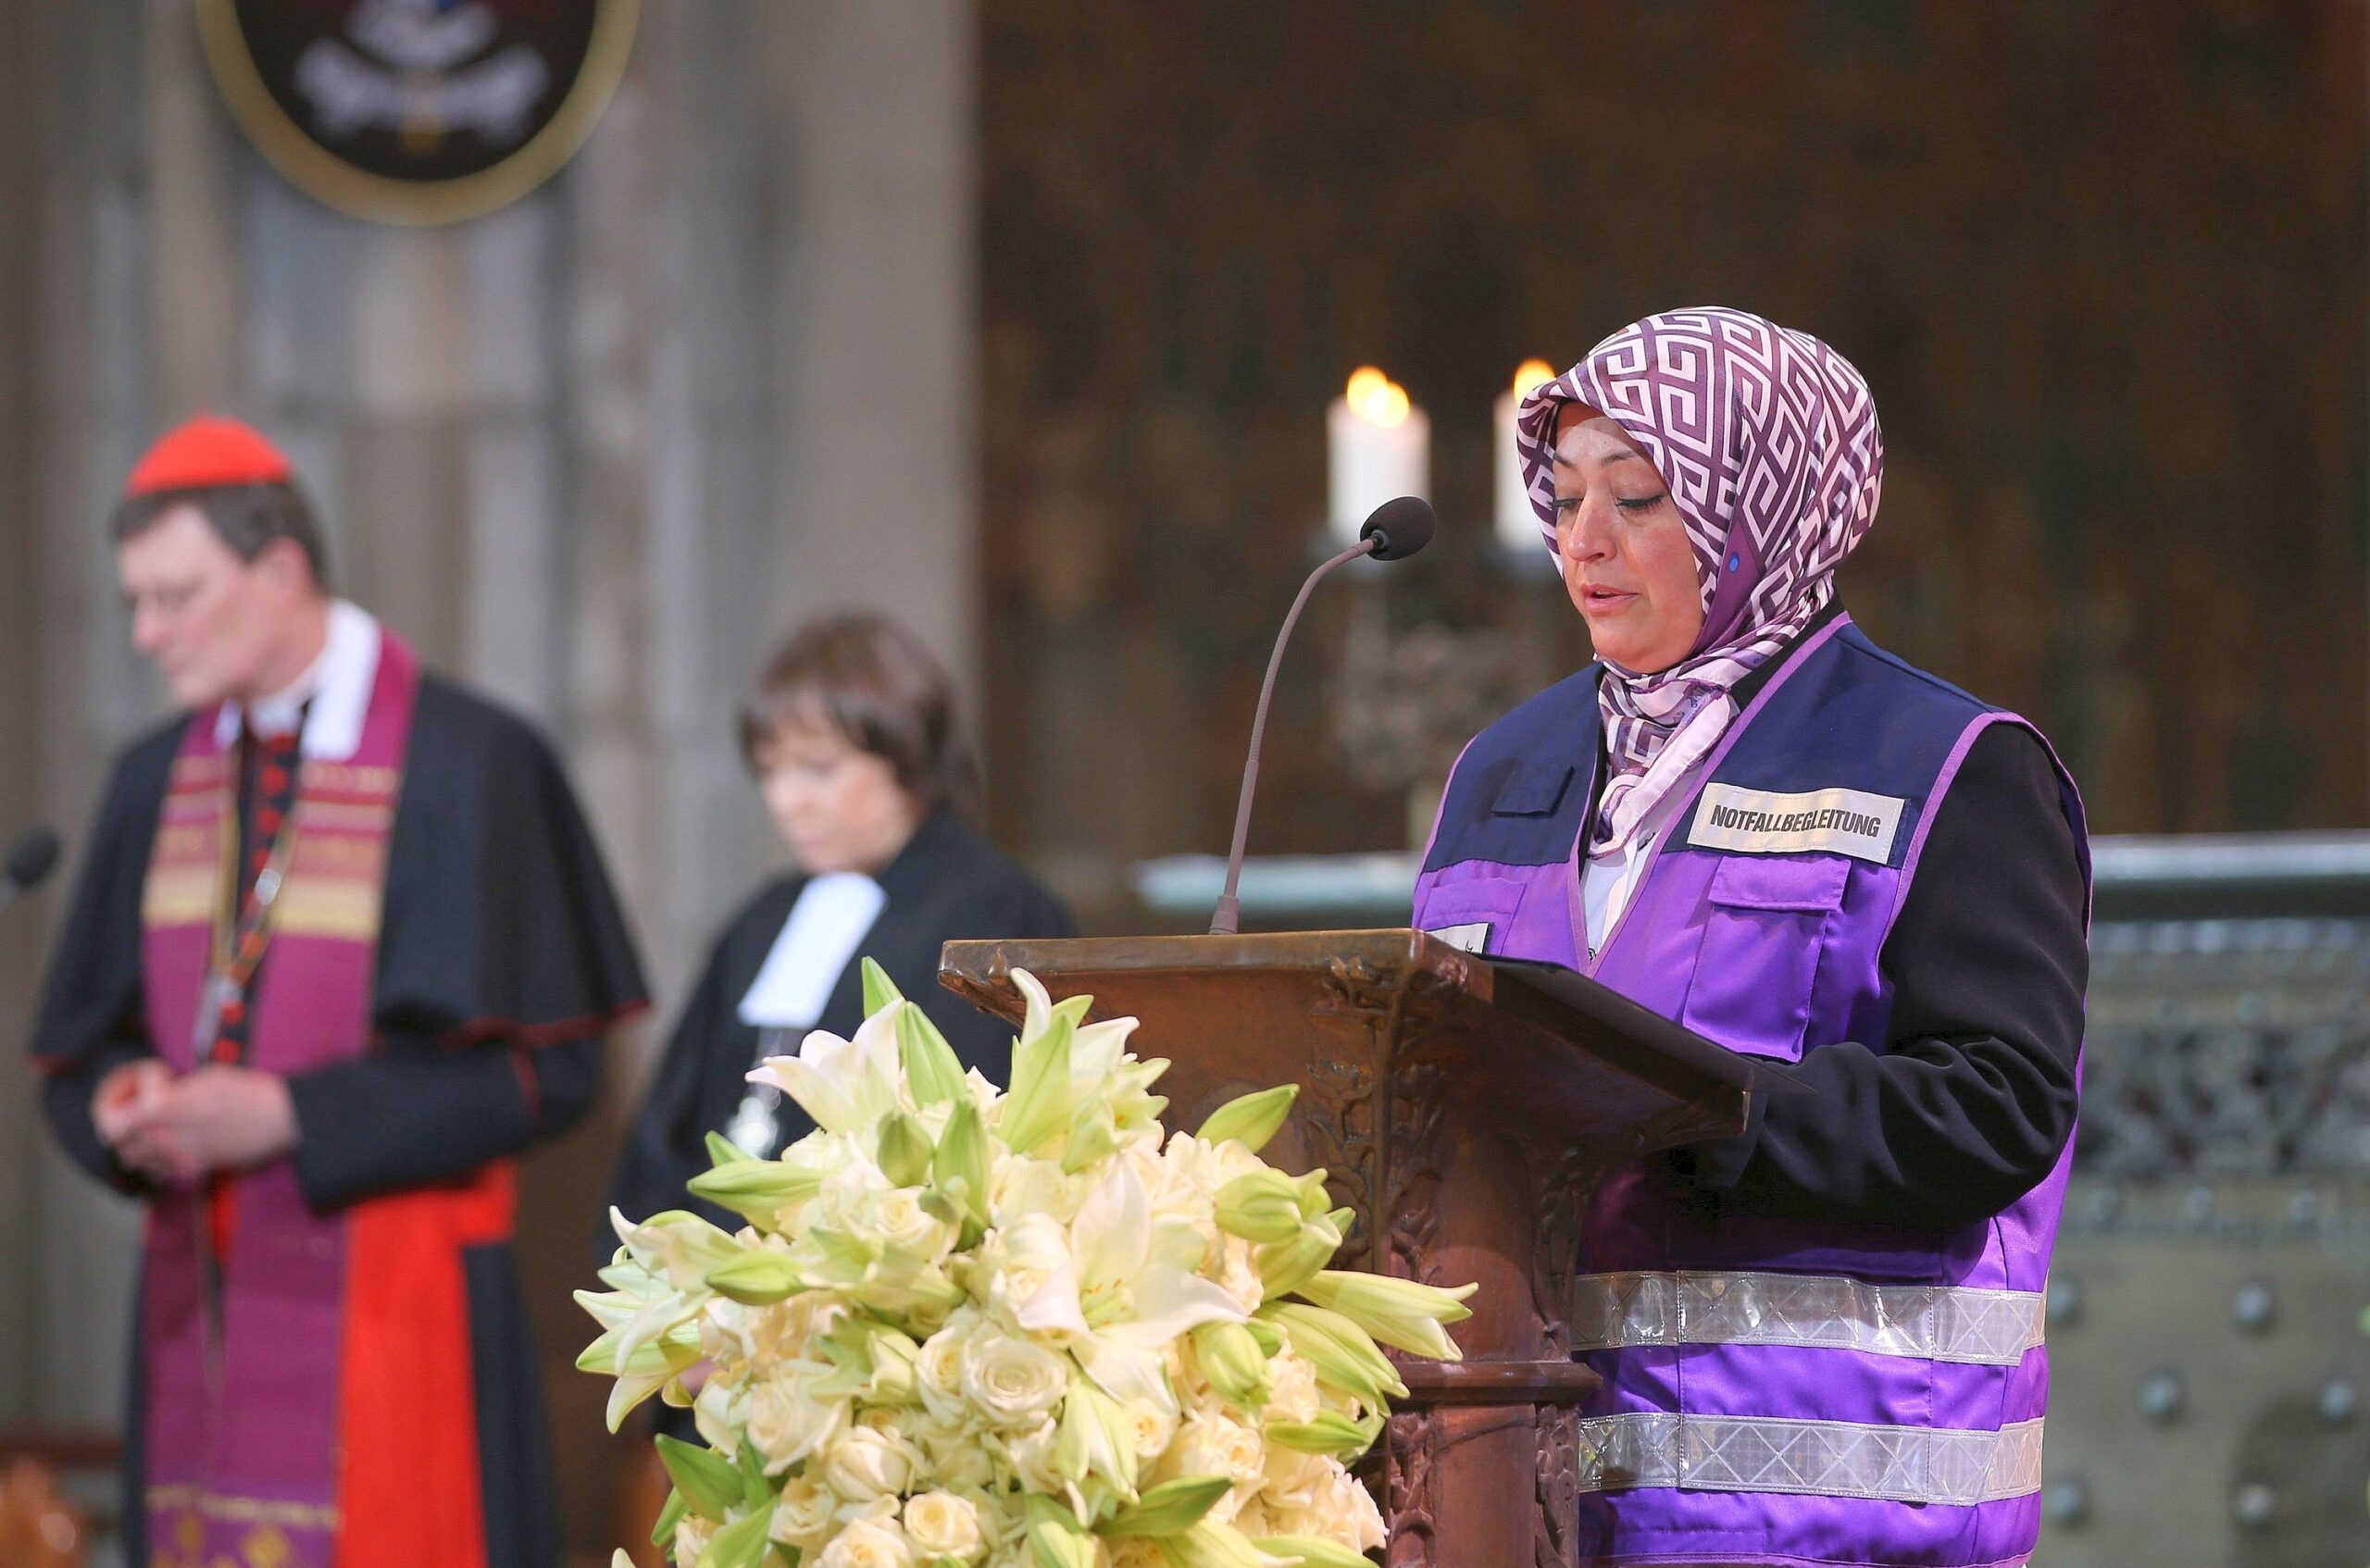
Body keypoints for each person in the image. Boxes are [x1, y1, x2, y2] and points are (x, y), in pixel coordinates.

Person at [1414, 308, 2088, 1568]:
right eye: (1561, 500)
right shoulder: (1500, 767)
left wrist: (1694, 1113)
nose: (1584, 541)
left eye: (1642, 497)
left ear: (1760, 509)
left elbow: (2001, 1106)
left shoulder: (1943, 766)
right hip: (1509, 1506)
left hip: (1829, 1518)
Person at [31, 415, 647, 1568]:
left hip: (402, 1320)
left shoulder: (473, 760)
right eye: (133, 601)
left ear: (279, 570)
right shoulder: (154, 775)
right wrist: (126, 1106)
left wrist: (291, 1116)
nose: (147, 634)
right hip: (197, 1319)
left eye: (174, 595)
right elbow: (79, 1053)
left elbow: (548, 1072)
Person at [609, 612, 1073, 1232]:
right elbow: (671, 1125)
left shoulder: (997, 914)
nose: (786, 800)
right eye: (771, 769)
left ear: (907, 756)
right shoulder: (766, 915)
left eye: (816, 769)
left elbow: (982, 1137)